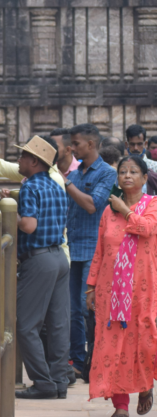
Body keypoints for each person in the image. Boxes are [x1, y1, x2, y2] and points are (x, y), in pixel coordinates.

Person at [86, 156, 157, 416]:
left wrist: (125, 210)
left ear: (144, 177)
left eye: (133, 172)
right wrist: (91, 285)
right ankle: (121, 406)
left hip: (142, 289)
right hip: (110, 289)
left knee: (143, 341)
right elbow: (100, 250)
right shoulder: (108, 211)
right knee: (113, 343)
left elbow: (146, 228)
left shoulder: (153, 205)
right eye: (122, 172)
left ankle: (146, 385)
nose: (127, 176)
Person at [10, 135, 70, 400]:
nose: (19, 161)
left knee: (25, 324)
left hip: (40, 259)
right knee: (57, 325)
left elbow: (29, 226)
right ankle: (59, 381)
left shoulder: (30, 187)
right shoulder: (57, 186)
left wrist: (10, 212)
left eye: (22, 156)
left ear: (34, 161)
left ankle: (43, 383)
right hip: (59, 257)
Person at [66, 123, 118, 383]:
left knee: (91, 310)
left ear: (91, 144)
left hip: (94, 252)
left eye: (76, 144)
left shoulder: (107, 173)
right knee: (73, 309)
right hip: (73, 250)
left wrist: (66, 184)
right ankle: (77, 361)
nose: (72, 147)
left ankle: (96, 361)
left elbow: (91, 205)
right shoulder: (75, 174)